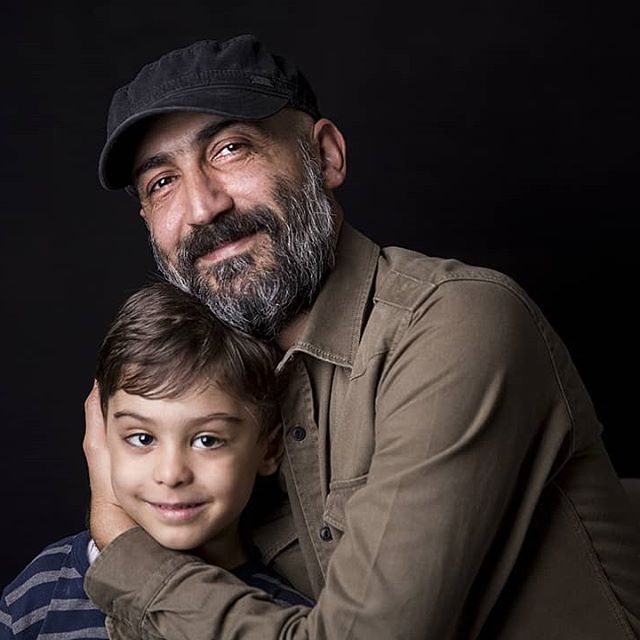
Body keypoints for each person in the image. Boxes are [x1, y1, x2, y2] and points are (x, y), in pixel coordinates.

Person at [82, 34, 640, 639]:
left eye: (230, 149)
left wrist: (121, 544)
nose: (201, 207)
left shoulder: (457, 321)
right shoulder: (212, 392)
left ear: (325, 156)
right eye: (162, 182)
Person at [0, 282, 314, 640]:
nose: (171, 474)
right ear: (101, 439)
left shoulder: (286, 620)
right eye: (142, 438)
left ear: (269, 449)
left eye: (207, 440)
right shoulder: (42, 593)